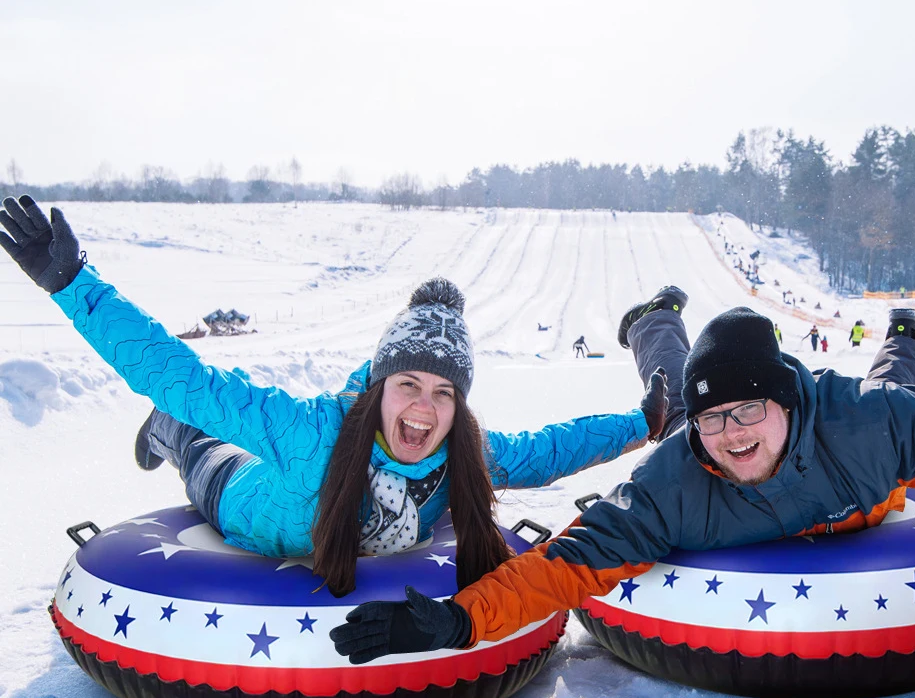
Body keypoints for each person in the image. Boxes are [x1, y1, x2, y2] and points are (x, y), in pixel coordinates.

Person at [0, 195, 669, 598]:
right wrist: (71, 283)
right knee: (195, 432)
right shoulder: (312, 432)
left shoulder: (464, 451)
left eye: (443, 393)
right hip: (242, 501)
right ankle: (170, 432)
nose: (423, 410)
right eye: (407, 384)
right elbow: (180, 375)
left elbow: (550, 449)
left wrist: (642, 421)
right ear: (379, 388)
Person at [332, 308, 915, 666]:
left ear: (786, 402)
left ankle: (905, 334)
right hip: (690, 443)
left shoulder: (873, 426)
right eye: (717, 417)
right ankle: (656, 319)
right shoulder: (678, 477)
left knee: (900, 381)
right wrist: (456, 622)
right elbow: (565, 567)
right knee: (680, 390)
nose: (732, 433)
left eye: (747, 411)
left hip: (868, 434)